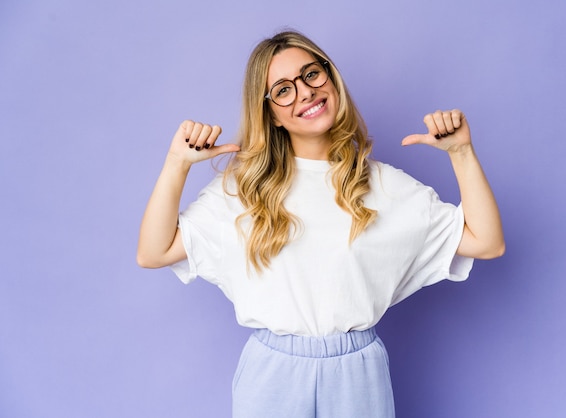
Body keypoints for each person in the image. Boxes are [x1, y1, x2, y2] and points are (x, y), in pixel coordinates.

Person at [137, 30, 504, 418]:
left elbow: (487, 242)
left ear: (330, 77)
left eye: (311, 74)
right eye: (283, 90)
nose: (305, 92)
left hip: (357, 373)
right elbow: (154, 251)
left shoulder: (384, 185)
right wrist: (176, 164)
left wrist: (462, 152)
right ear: (270, 114)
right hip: (273, 374)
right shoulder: (242, 189)